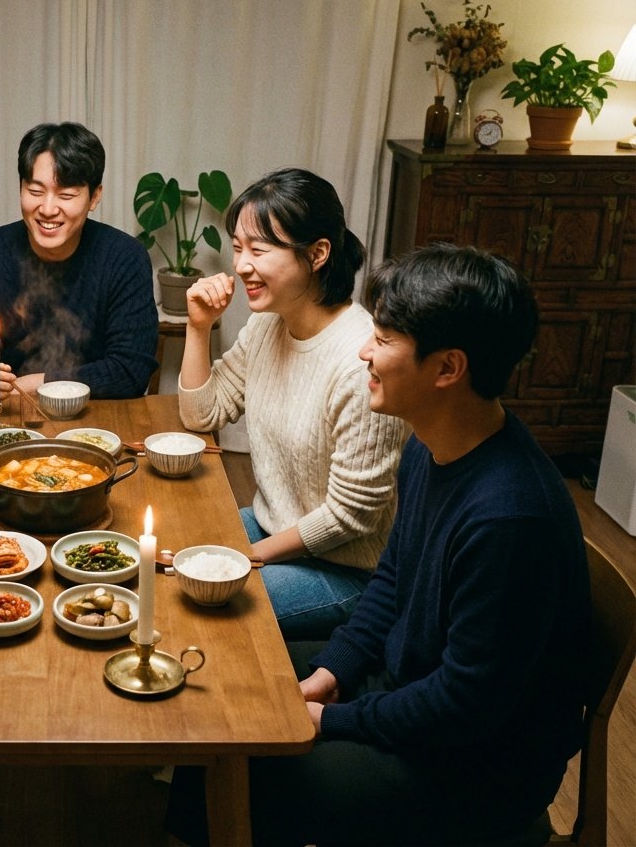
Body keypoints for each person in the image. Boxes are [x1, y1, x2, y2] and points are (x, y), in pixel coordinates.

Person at [241, 245, 590, 845]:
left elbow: (464, 705)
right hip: (407, 689)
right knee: (240, 683)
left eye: (382, 339)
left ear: (447, 368)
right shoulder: (432, 447)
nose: (363, 352)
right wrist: (334, 672)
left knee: (256, 761)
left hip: (474, 768)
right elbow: (393, 581)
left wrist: (332, 720)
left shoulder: (510, 519)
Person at [177, 168, 406, 639]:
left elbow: (350, 518)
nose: (241, 265)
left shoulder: (360, 360)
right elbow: (202, 414)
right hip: (274, 527)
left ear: (318, 253)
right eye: (238, 248)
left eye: (259, 250)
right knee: (168, 554)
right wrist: (198, 327)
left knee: (201, 608)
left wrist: (247, 559)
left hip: (348, 570)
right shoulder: (269, 324)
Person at [0, 121, 158, 405]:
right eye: (35, 192)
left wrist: (41, 383)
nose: (47, 209)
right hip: (2, 421)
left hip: (96, 423)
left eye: (66, 195)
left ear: (95, 196)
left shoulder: (124, 259)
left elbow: (130, 370)